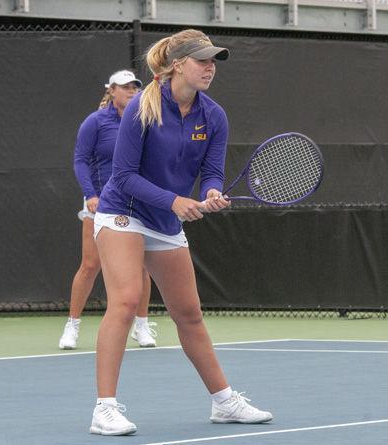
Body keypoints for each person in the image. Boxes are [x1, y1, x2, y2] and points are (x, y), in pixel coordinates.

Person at [89, 29, 273, 436]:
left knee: (189, 314)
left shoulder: (214, 116)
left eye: (214, 61)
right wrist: (174, 201)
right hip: (124, 212)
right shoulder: (142, 107)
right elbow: (122, 176)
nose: (210, 67)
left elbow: (211, 170)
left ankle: (224, 402)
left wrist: (210, 192)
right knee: (126, 301)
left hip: (164, 222)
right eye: (202, 60)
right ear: (178, 65)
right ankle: (104, 409)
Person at [58, 70, 158, 350]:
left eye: (135, 87)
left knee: (141, 266)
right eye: (125, 87)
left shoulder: (144, 121)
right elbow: (80, 160)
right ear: (111, 90)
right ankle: (72, 325)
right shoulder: (95, 122)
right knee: (91, 264)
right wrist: (90, 194)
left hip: (136, 202)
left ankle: (141, 325)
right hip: (100, 202)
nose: (131, 91)